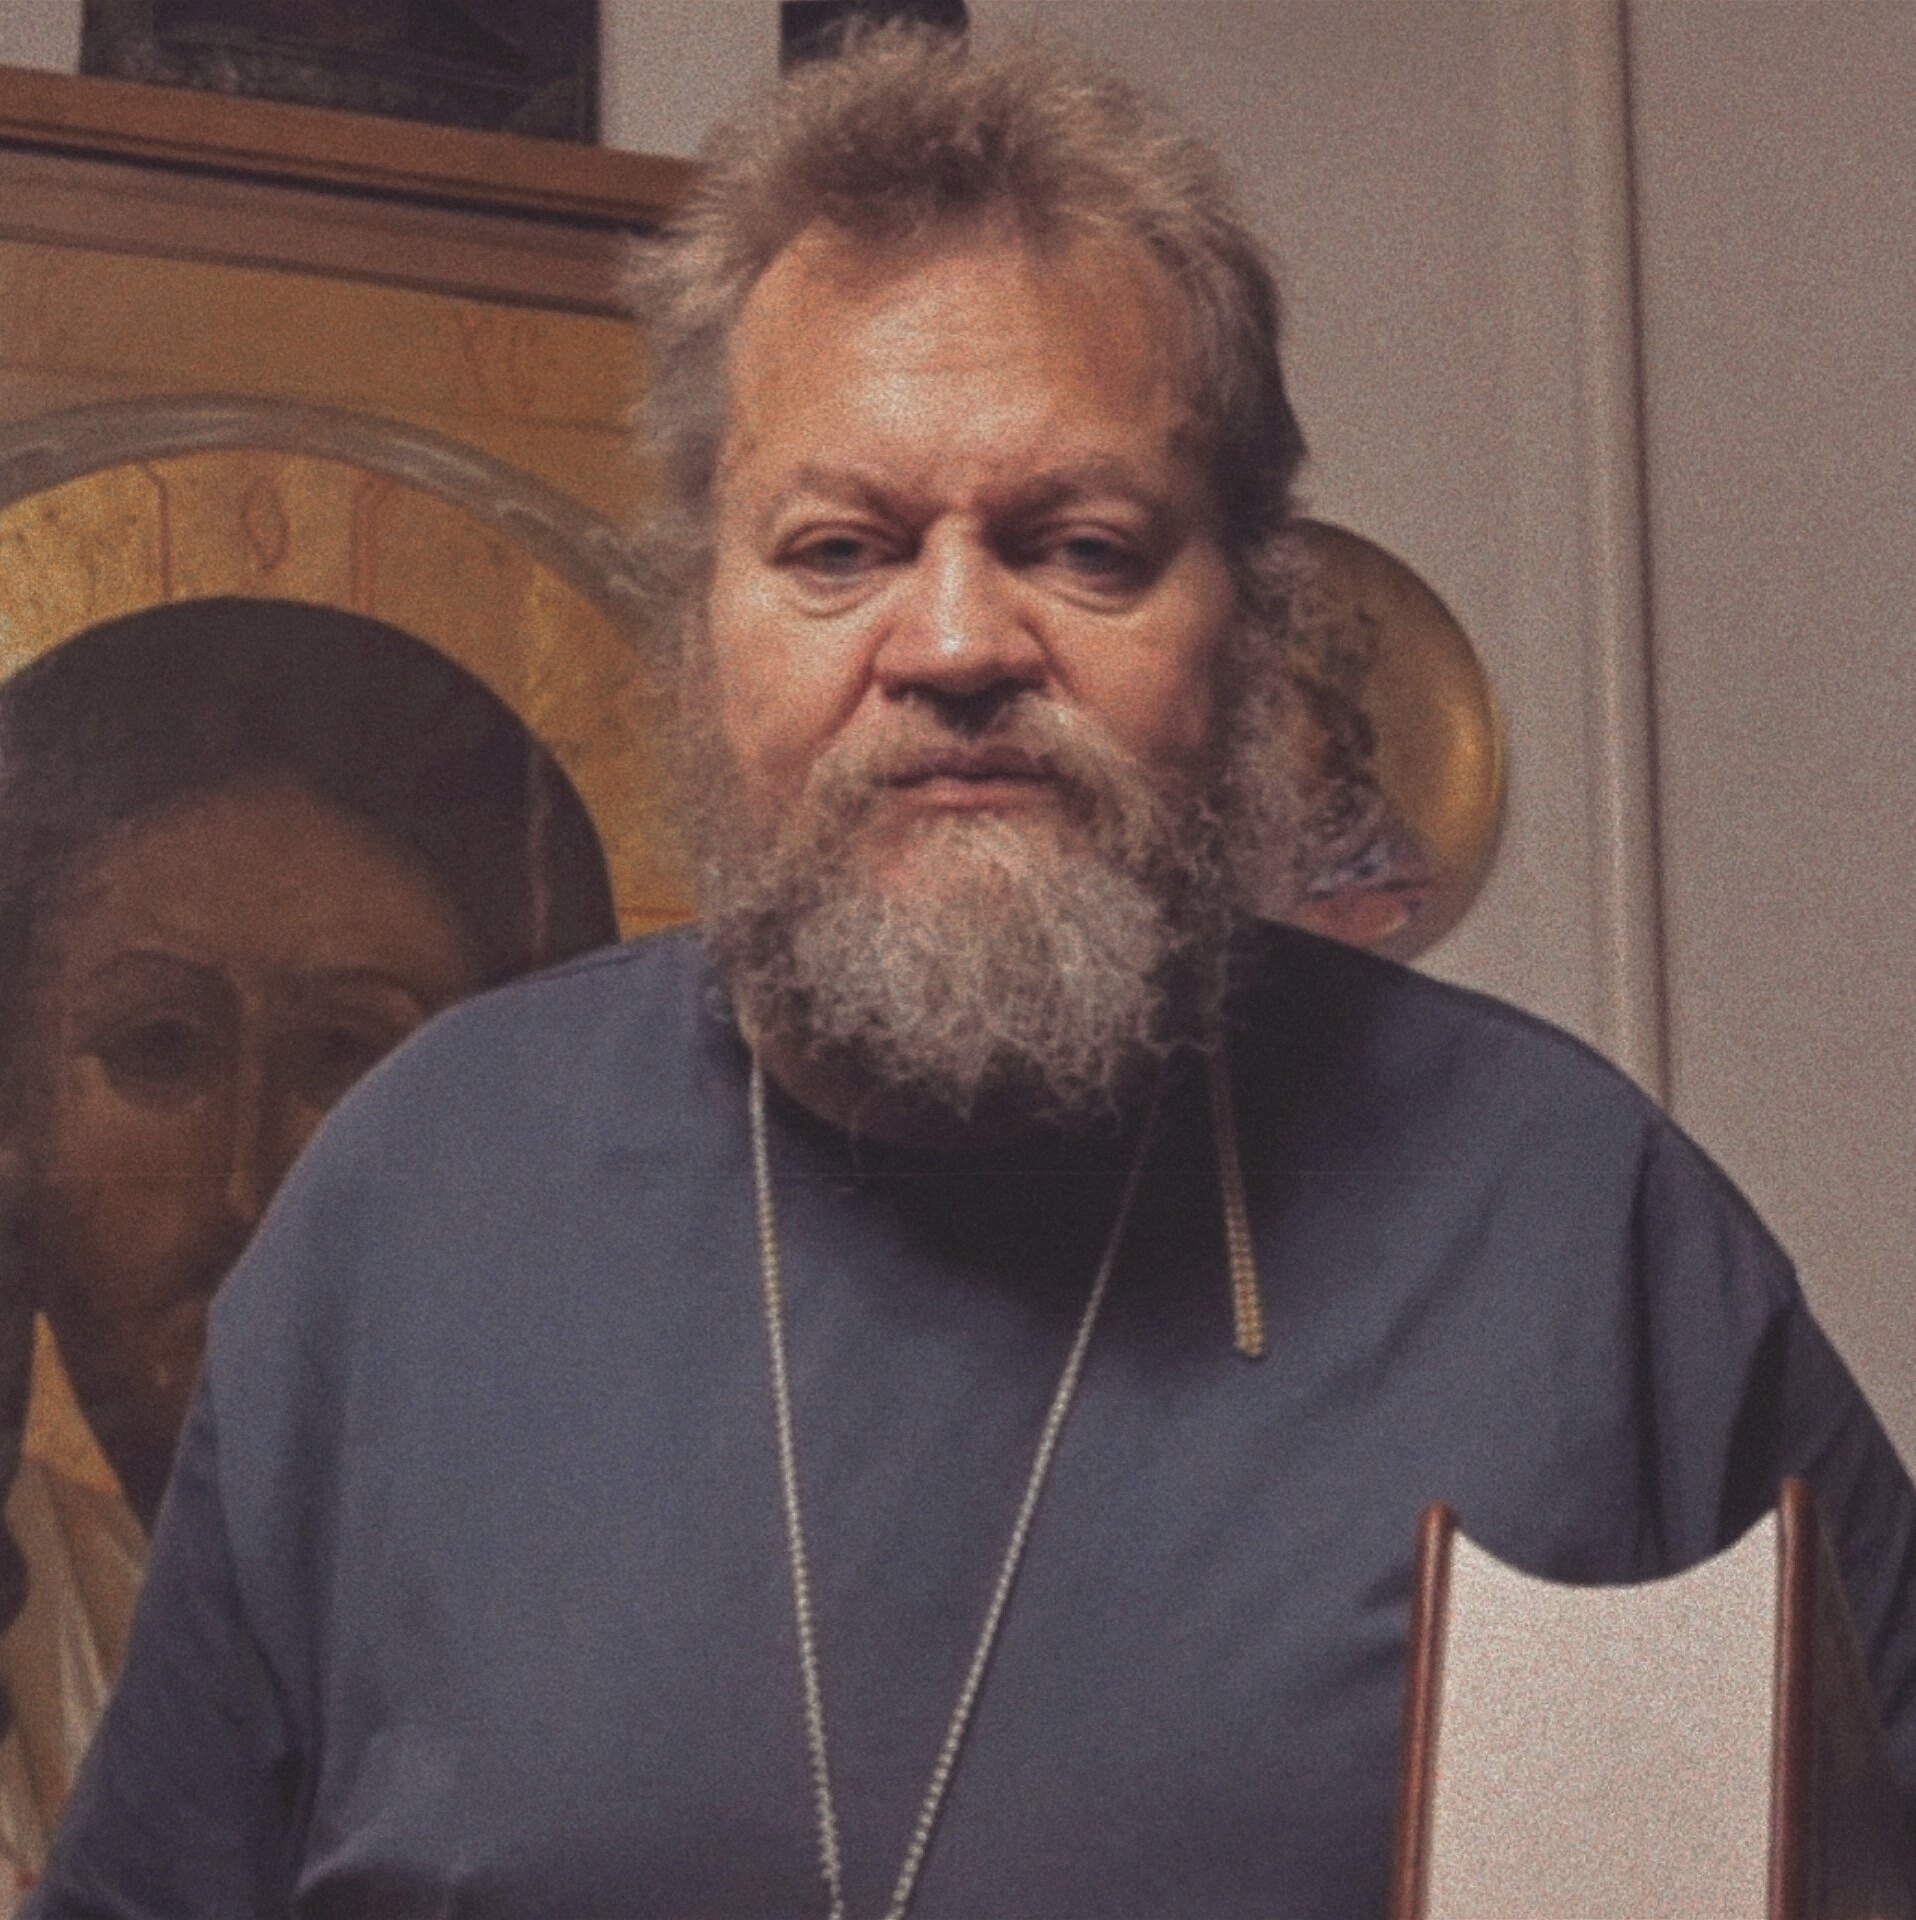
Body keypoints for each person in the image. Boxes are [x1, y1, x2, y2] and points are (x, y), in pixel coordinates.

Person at [27, 28, 1916, 1919]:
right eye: (839, 547)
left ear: (1253, 630)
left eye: (1081, 547)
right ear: (701, 633)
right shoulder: (414, 1201)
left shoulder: (1567, 1228)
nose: (951, 643)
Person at [0, 598, 616, 1893]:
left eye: (348, 1058)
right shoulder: (35, 1618)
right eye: (158, 1048)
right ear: (16, 1120)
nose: (245, 1188)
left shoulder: (617, 1636)